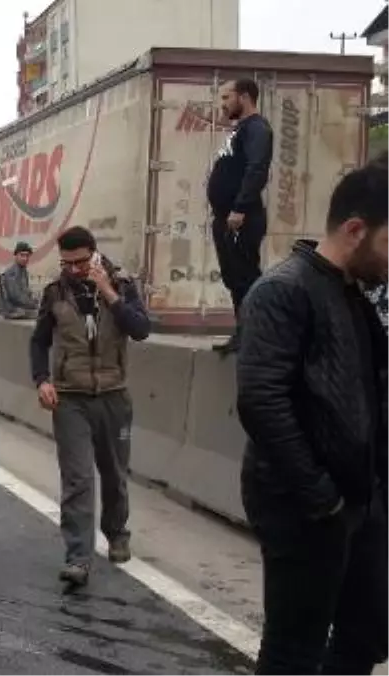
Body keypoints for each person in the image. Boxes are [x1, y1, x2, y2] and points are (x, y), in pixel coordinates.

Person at [236, 161, 389, 675]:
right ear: (355, 230)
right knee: (293, 651)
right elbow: (261, 400)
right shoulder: (283, 290)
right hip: (302, 504)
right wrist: (320, 496)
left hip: (358, 500)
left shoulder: (352, 295)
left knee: (367, 633)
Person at [29, 227, 151, 586]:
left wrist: (108, 291)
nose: (75, 270)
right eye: (67, 263)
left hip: (113, 395)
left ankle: (116, 533)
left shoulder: (124, 285)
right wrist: (42, 379)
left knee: (114, 473)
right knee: (77, 479)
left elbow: (141, 329)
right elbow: (38, 342)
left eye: (81, 262)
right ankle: (79, 556)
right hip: (70, 398)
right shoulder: (55, 292)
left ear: (95, 255)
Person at [206, 78, 274, 354]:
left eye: (226, 98)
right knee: (234, 278)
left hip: (241, 218)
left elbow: (257, 168)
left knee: (246, 278)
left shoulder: (257, 129)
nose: (223, 104)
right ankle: (243, 335)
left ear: (244, 97)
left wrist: (240, 208)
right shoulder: (240, 130)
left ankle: (257, 338)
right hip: (226, 218)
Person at [0, 241, 39, 319]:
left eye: (27, 256)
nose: (25, 258)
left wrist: (33, 299)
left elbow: (26, 291)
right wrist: (32, 304)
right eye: (22, 255)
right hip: (11, 310)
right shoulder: (11, 272)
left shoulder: (23, 271)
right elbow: (15, 296)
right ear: (16, 255)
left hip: (20, 307)